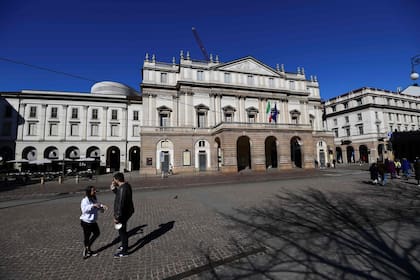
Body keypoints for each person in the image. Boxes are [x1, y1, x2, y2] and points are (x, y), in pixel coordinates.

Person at [111, 172, 134, 258]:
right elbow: (121, 196)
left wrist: (117, 217)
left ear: (117, 179)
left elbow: (120, 203)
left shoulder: (122, 189)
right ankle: (124, 245)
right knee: (123, 230)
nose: (113, 181)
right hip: (127, 211)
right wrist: (114, 189)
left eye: (114, 179)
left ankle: (124, 251)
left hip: (122, 214)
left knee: (122, 231)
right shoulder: (126, 186)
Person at [80, 185, 107, 258]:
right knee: (87, 237)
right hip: (86, 222)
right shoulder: (85, 200)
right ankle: (86, 251)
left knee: (97, 233)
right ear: (89, 192)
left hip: (93, 221)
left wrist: (101, 207)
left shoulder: (93, 198)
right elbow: (84, 210)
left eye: (95, 190)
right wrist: (93, 206)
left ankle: (88, 247)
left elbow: (97, 205)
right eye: (93, 190)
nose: (95, 191)